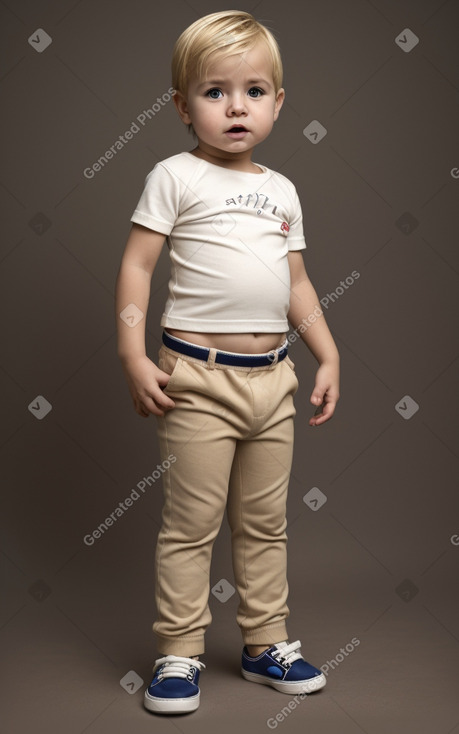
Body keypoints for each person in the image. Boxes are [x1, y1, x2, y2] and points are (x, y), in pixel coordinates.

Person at [115, 9, 340, 715]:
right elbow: (136, 268)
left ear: (278, 102)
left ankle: (263, 641)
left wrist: (327, 354)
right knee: (190, 524)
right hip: (197, 381)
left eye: (252, 90)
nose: (235, 106)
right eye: (214, 92)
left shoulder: (282, 191)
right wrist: (131, 352)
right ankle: (178, 650)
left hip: (273, 380)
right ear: (184, 108)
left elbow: (297, 283)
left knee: (264, 521)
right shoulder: (173, 176)